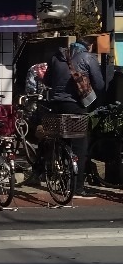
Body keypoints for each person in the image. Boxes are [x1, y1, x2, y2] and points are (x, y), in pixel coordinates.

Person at [42, 38, 105, 197]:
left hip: (55, 105)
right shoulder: (88, 57)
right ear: (88, 46)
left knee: (61, 141)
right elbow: (99, 84)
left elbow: (47, 80)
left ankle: (56, 178)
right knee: (79, 146)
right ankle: (77, 187)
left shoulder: (56, 56)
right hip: (75, 106)